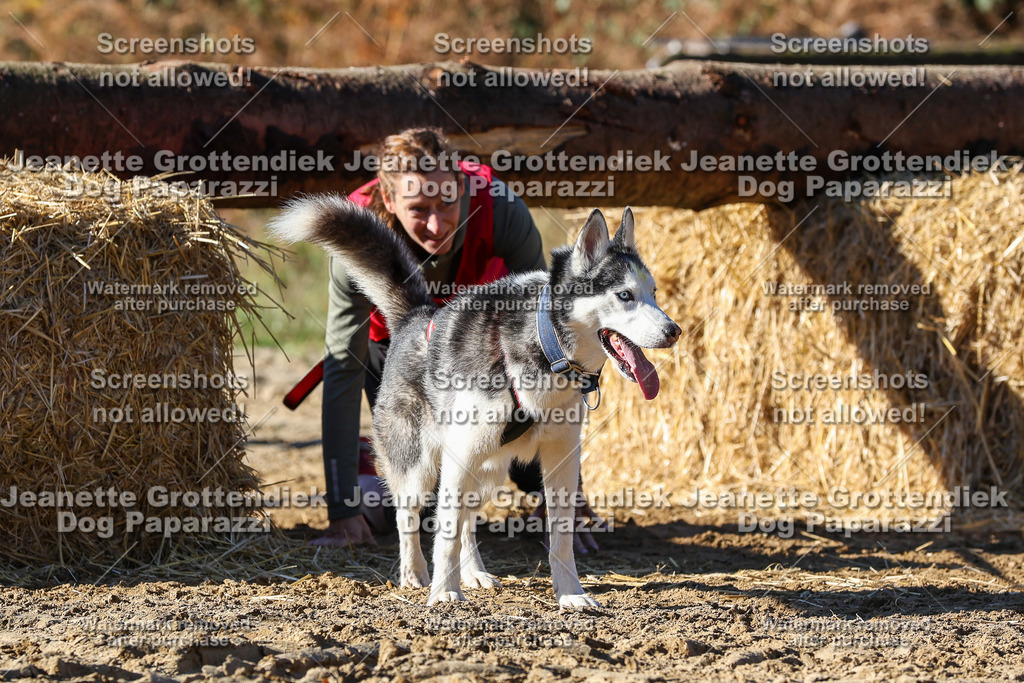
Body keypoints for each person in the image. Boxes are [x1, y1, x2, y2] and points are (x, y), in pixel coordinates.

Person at [311, 127, 603, 550]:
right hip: (401, 353)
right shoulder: (357, 231)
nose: (436, 222)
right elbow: (341, 368)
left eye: (448, 203)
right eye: (418, 209)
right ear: (389, 201)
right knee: (424, 498)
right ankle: (371, 459)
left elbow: (554, 338)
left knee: (529, 424)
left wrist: (565, 497)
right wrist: (342, 511)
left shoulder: (501, 210)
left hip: (490, 348)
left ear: (462, 187)